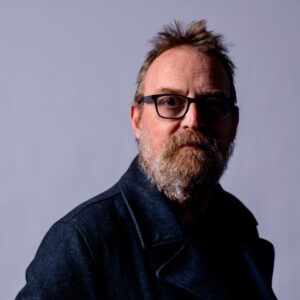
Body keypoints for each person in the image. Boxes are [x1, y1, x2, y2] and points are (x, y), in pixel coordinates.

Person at [16, 20, 277, 300]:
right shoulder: (82, 243)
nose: (193, 120)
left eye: (212, 104)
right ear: (137, 120)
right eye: (170, 102)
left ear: (233, 123)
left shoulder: (238, 228)